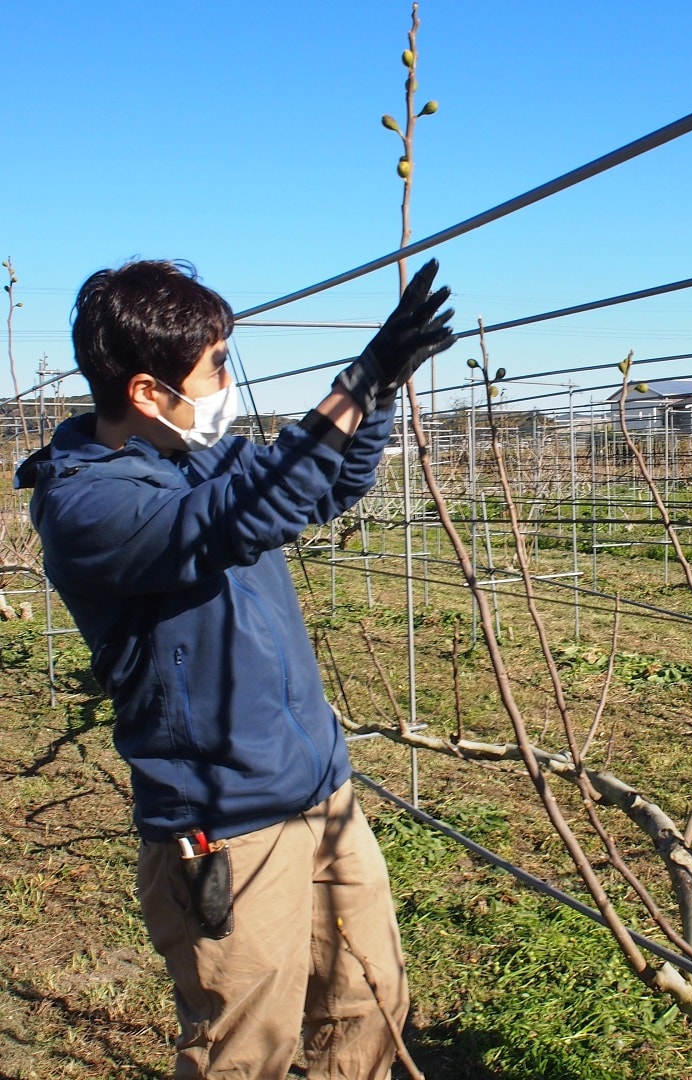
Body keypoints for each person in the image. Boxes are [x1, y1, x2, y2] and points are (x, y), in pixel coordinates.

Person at [15, 257, 455, 1079]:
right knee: (245, 1048)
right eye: (216, 364)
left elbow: (322, 489)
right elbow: (258, 504)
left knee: (369, 1004)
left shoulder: (193, 457)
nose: (227, 379)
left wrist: (381, 391)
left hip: (320, 787)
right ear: (148, 392)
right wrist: (357, 379)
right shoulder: (89, 507)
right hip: (225, 820)